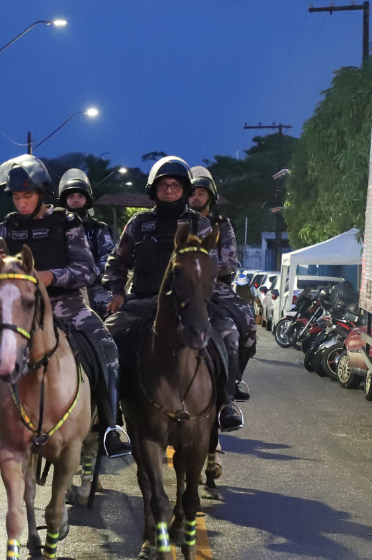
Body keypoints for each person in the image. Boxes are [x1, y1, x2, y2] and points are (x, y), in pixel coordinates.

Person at [0, 154, 131, 460]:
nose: (21, 203)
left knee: (107, 348)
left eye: (27, 196)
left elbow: (87, 271)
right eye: (17, 197)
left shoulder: (67, 222)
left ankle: (111, 428)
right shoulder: (4, 229)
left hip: (66, 307)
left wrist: (50, 276)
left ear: (42, 194)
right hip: (17, 311)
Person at [104, 156, 244, 431]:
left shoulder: (200, 225)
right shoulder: (137, 223)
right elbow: (117, 262)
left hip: (191, 305)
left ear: (185, 190)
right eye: (163, 185)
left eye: (175, 185)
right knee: (107, 340)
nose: (169, 190)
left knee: (229, 335)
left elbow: (213, 264)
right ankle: (110, 416)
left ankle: (225, 405)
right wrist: (118, 292)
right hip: (143, 302)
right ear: (153, 190)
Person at [189, 165, 259, 402]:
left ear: (210, 196)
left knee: (248, 325)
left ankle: (233, 383)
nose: (195, 197)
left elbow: (229, 262)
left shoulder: (222, 224)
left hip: (217, 287)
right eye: (192, 192)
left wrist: (199, 265)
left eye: (201, 192)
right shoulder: (179, 221)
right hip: (182, 285)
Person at [58, 168, 115, 318]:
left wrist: (87, 275)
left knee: (115, 312)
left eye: (80, 196)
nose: (76, 199)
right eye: (71, 196)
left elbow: (107, 257)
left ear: (87, 199)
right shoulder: (54, 228)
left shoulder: (99, 228)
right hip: (60, 286)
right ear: (65, 200)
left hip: (93, 285)